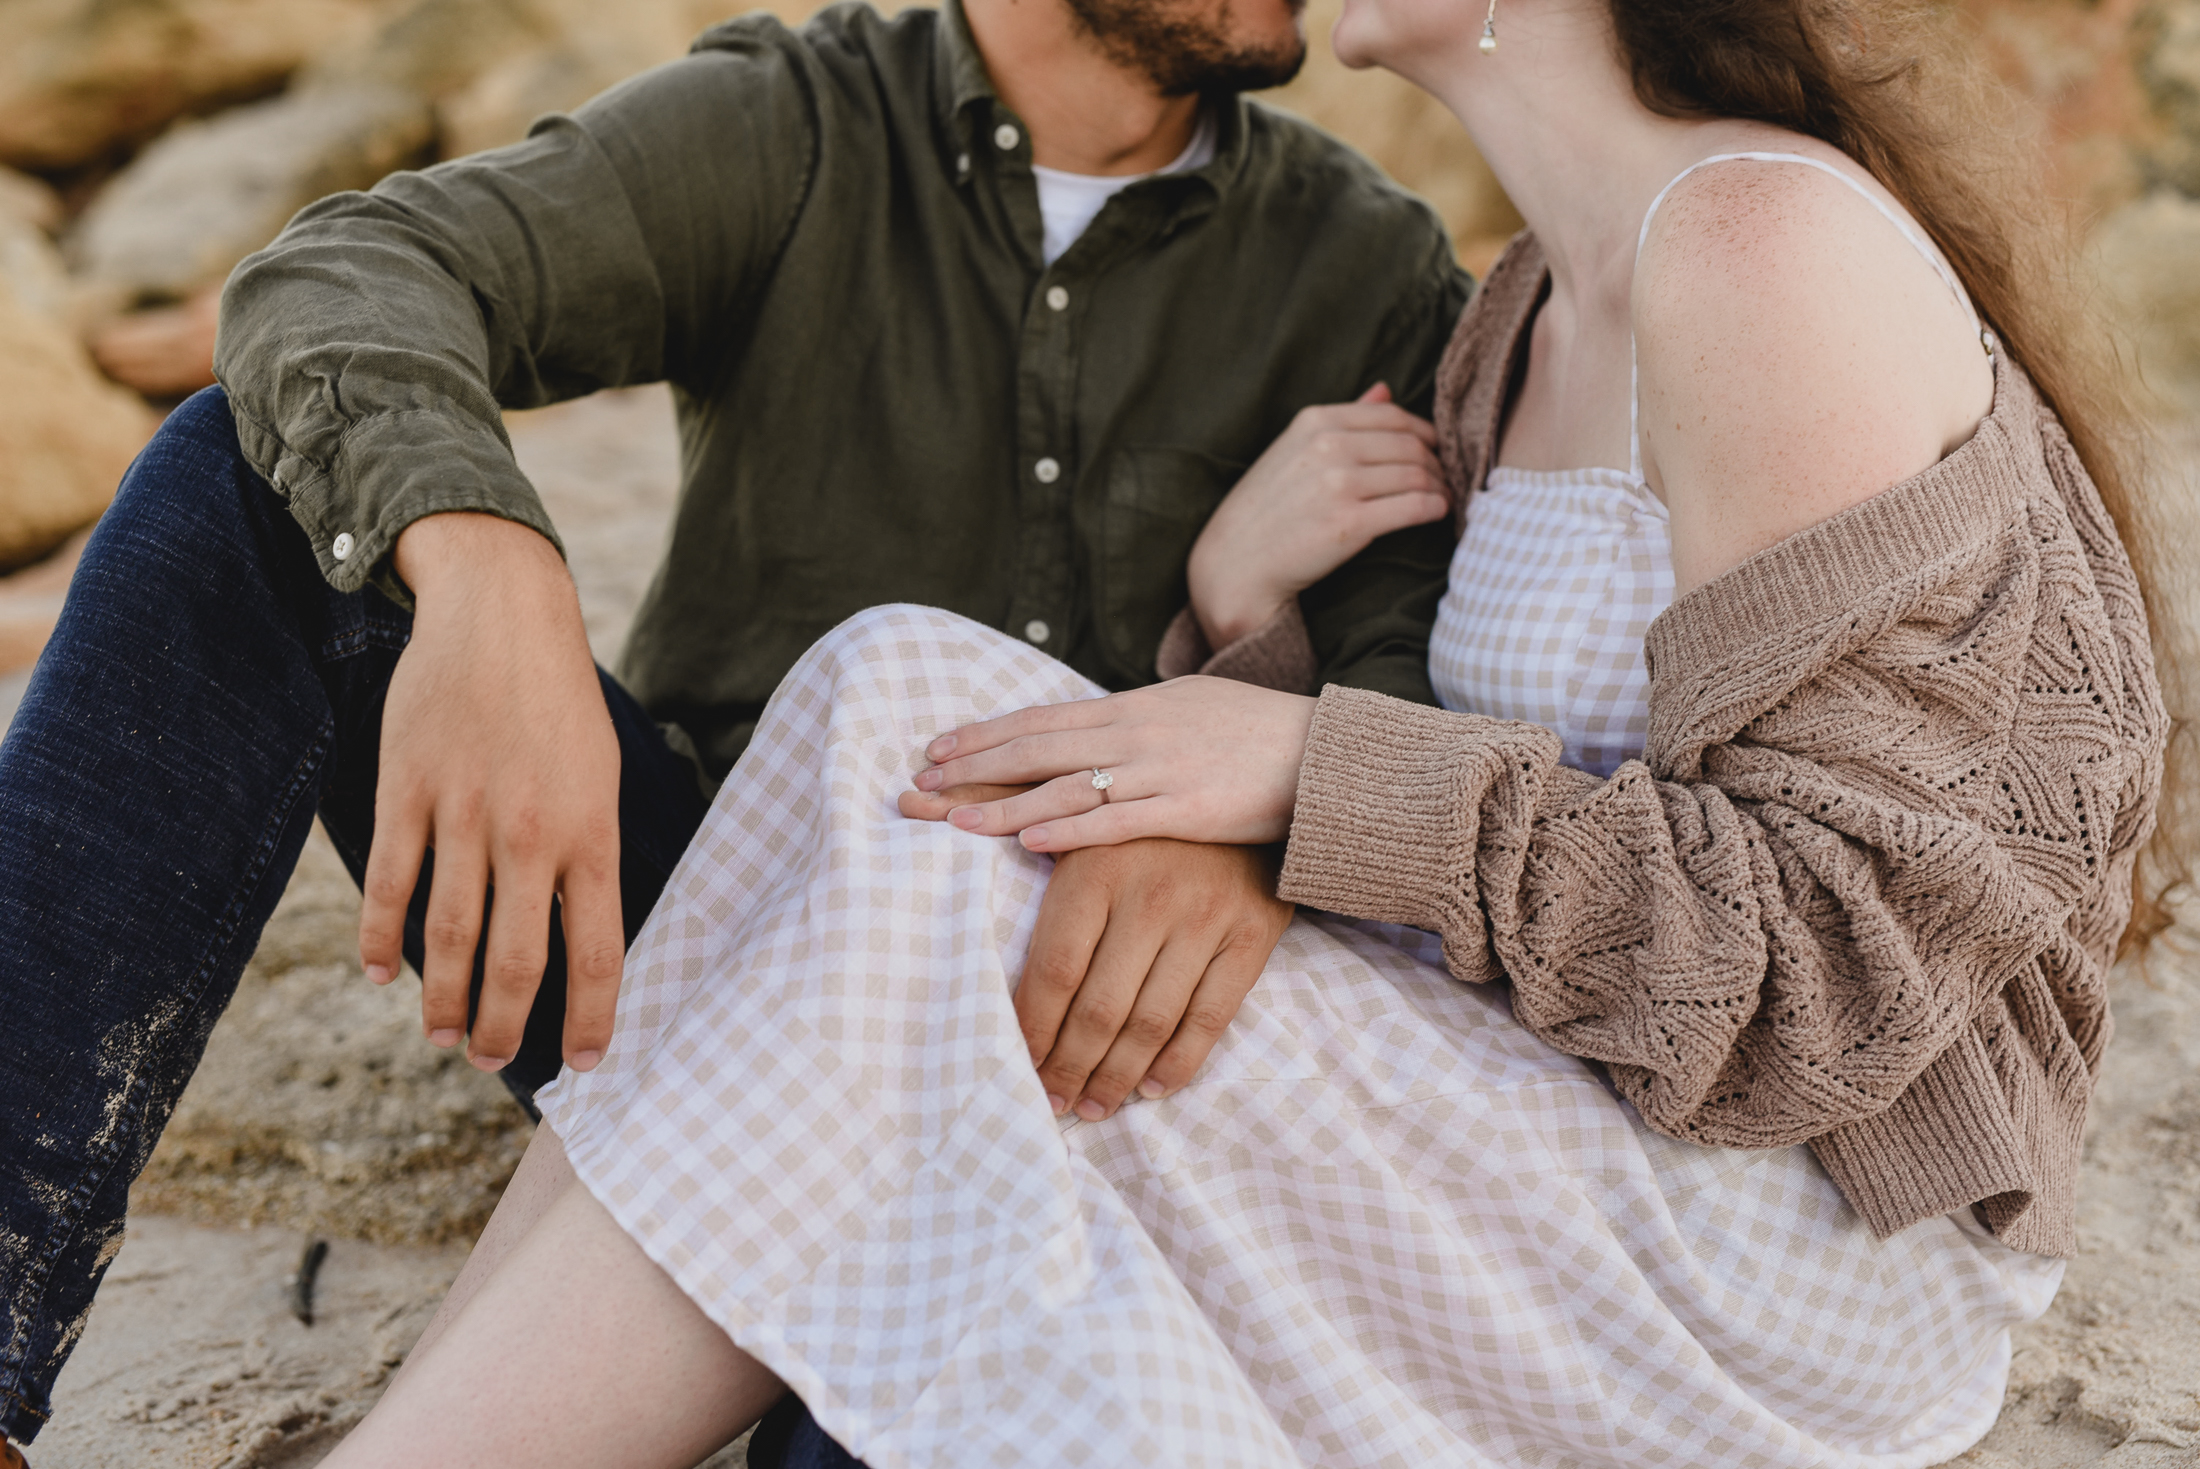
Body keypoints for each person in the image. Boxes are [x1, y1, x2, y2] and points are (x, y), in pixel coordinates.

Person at [308, 0, 2184, 1465]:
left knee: (931, 853)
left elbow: (1840, 965)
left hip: (1791, 1248)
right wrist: (1240, 618)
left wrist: (1298, 763)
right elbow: (1505, 776)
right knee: (894, 684)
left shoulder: (1765, 250)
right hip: (1576, 1116)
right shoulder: (1519, 313)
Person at [0, 0, 1475, 1453]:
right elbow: (343, 275)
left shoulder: (1366, 266)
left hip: (1064, 1055)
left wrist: (1257, 811)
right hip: (678, 944)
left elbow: (1424, 666)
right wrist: (484, 560)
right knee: (239, 495)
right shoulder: (798, 124)